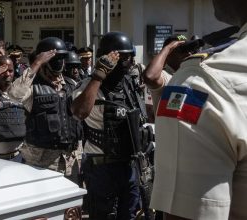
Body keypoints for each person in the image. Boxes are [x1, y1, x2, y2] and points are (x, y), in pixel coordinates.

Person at [150, 0, 247, 219]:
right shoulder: (187, 79)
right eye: (186, 49)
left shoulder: (199, 82)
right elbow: (150, 77)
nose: (192, 52)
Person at [71, 31, 150, 219]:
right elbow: (79, 113)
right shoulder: (88, 86)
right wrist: (97, 77)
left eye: (130, 57)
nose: (128, 63)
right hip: (102, 168)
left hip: (130, 165)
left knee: (130, 214)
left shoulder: (129, 85)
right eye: (122, 58)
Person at [7, 37, 83, 183]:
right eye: (54, 58)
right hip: (41, 163)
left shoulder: (70, 85)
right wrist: (36, 63)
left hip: (71, 161)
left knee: (71, 204)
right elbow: (14, 95)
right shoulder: (32, 87)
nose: (59, 62)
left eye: (62, 58)